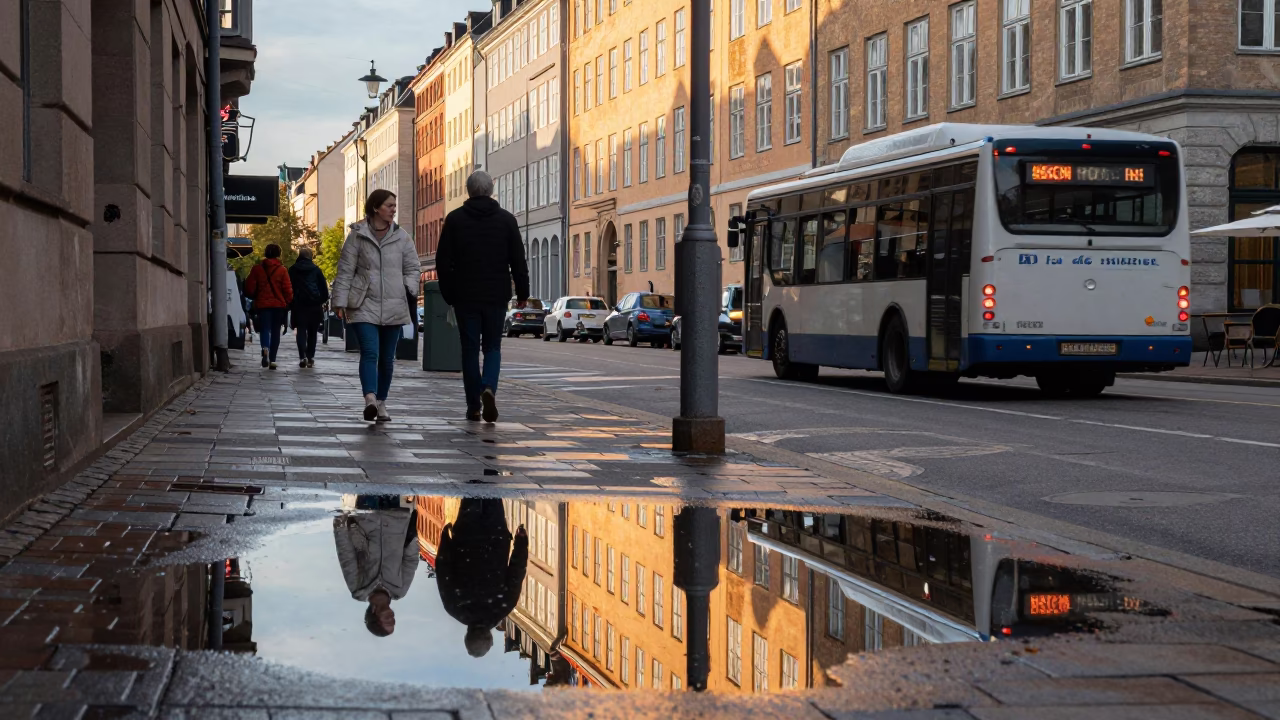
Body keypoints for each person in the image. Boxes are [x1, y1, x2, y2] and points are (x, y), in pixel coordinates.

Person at [436, 171, 530, 423]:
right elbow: (518, 260)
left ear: (468, 191)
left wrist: (449, 293)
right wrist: (523, 292)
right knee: (492, 347)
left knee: (469, 350)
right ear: (491, 190)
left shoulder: (455, 220)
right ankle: (488, 386)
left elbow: (443, 261)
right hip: (496, 294)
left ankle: (473, 406)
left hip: (465, 295)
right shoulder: (507, 220)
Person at [331, 189, 419, 422]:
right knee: (370, 352)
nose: (394, 209)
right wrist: (339, 302)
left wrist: (407, 287)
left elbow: (413, 268)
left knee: (387, 358)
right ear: (376, 208)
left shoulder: (402, 237)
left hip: (394, 303)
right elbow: (345, 270)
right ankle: (369, 398)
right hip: (363, 304)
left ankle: (381, 402)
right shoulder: (357, 236)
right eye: (389, 205)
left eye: (394, 205)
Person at [434, 498, 527, 657]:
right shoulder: (454, 607)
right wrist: (445, 540)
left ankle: (487, 474)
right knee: (472, 492)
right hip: (466, 538)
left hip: (495, 539)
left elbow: (516, 573)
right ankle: (475, 474)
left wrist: (521, 543)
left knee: (492, 493)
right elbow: (443, 567)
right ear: (466, 636)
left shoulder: (501, 608)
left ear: (490, 638)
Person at [333, 494, 420, 637]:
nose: (392, 618)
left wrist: (339, 526)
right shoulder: (400, 590)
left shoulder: (358, 588)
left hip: (366, 517)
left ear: (374, 615)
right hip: (397, 519)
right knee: (393, 476)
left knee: (371, 478)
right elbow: (410, 560)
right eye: (393, 622)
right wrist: (413, 533)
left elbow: (347, 556)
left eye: (387, 621)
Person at [244, 243, 293, 369]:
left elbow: (249, 287)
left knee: (264, 328)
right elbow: (287, 289)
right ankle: (273, 359)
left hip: (262, 304)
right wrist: (288, 301)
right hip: (278, 305)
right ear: (278, 254)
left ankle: (265, 348)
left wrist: (254, 296)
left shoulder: (257, 269)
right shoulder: (282, 270)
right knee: (276, 331)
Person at [288, 247, 330, 368]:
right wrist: (320, 301)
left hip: (299, 305)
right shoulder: (316, 270)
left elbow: (289, 288)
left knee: (301, 330)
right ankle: (310, 356)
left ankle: (302, 356)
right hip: (314, 306)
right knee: (313, 332)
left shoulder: (293, 270)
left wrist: (291, 303)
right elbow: (324, 290)